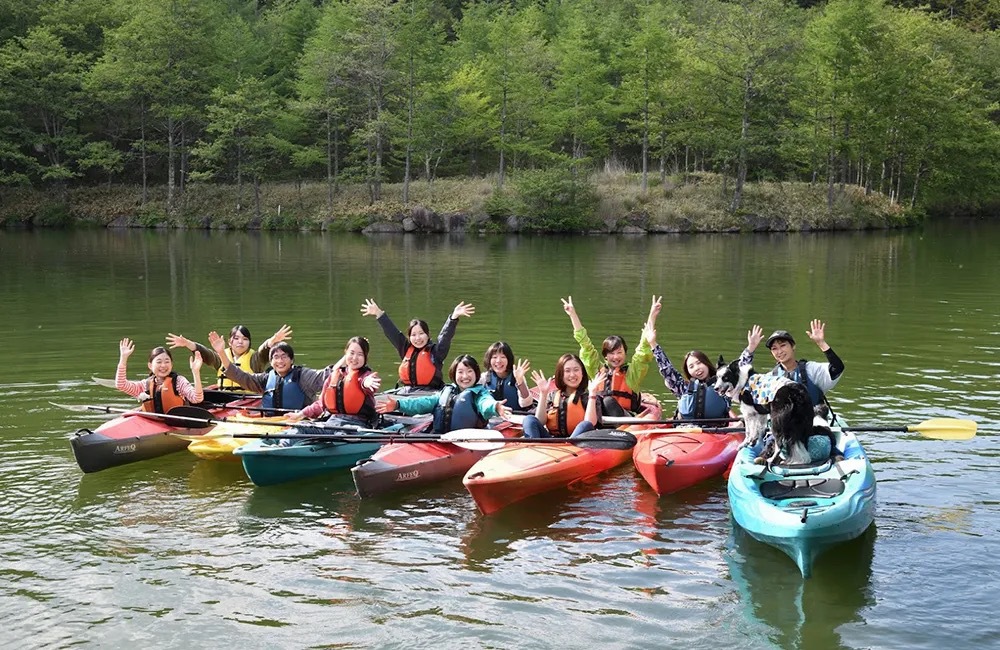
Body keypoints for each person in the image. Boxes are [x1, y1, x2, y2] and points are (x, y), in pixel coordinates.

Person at [561, 295, 658, 417]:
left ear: (625, 353)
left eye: (619, 352)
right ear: (605, 356)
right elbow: (586, 345)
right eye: (611, 353)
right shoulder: (597, 371)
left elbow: (644, 347)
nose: (616, 357)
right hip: (600, 417)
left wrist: (652, 315)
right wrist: (572, 314)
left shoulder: (633, 373)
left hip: (626, 419)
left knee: (608, 401)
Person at [650, 315, 763, 420]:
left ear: (706, 363)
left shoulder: (724, 385)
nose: (697, 368)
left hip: (718, 432)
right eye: (691, 366)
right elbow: (667, 369)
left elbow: (739, 368)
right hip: (686, 429)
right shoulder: (682, 387)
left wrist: (751, 348)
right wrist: (653, 345)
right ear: (688, 372)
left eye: (699, 363)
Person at [376, 354, 511, 435]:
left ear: (476, 374)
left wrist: (496, 407)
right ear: (454, 374)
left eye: (469, 371)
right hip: (440, 438)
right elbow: (422, 403)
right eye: (460, 372)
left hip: (468, 440)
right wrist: (398, 404)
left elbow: (485, 403)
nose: (465, 376)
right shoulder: (446, 392)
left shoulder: (480, 393)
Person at [360, 298, 474, 391]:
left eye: (421, 333)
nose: (418, 338)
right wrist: (378, 313)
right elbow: (392, 332)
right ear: (409, 337)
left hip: (431, 394)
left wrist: (453, 317)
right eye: (413, 335)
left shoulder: (437, 352)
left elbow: (445, 336)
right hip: (407, 392)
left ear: (428, 335)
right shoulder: (405, 349)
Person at [207, 331, 328, 416]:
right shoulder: (265, 379)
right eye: (276, 357)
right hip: (270, 423)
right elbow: (240, 376)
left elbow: (326, 376)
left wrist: (346, 362)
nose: (280, 361)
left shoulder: (303, 376)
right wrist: (221, 352)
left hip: (299, 420)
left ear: (291, 360)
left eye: (284, 357)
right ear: (271, 361)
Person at [166, 324, 293, 392]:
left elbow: (264, 350)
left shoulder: (255, 358)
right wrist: (187, 343)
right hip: (224, 398)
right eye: (236, 338)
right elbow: (206, 354)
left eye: (245, 339)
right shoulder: (221, 356)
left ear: (249, 342)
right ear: (229, 341)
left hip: (248, 400)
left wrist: (273, 340)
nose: (240, 342)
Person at [289, 336, 382, 426]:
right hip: (333, 421)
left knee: (341, 433)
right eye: (352, 353)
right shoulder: (335, 375)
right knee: (302, 427)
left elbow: (365, 383)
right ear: (346, 353)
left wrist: (367, 383)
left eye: (360, 354)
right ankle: (283, 443)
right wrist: (300, 414)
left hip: (357, 424)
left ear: (366, 357)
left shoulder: (366, 376)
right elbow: (321, 404)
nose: (354, 358)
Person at [763, 320, 844, 407]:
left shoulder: (811, 370)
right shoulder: (770, 378)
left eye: (783, 345)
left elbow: (837, 368)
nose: (779, 351)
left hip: (813, 418)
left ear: (793, 346)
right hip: (784, 419)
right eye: (774, 348)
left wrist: (821, 343)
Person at [522, 354, 604, 438]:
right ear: (561, 375)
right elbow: (540, 421)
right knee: (529, 420)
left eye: (576, 370)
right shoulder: (552, 396)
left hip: (577, 443)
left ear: (582, 373)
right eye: (567, 371)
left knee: (585, 425)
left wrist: (593, 393)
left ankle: (568, 444)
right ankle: (532, 446)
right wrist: (543, 393)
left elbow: (590, 423)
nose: (572, 375)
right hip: (552, 441)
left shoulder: (589, 398)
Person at [115, 338, 204, 412]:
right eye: (159, 362)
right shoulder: (145, 385)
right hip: (153, 421)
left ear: (171, 365)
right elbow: (121, 385)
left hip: (178, 421)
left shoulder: (179, 382)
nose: (163, 365)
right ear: (150, 366)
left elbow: (197, 399)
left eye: (167, 361)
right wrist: (123, 359)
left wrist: (196, 373)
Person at [480, 341, 534, 412]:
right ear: (489, 360)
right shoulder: (484, 378)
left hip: (514, 417)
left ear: (509, 360)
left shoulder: (517, 377)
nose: (498, 361)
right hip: (492, 418)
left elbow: (527, 403)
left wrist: (520, 382)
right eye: (494, 357)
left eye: (503, 357)